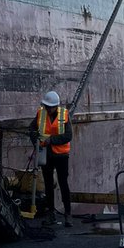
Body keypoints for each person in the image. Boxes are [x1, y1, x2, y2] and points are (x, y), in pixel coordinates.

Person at [29, 89, 73, 226]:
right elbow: (31, 129)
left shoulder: (64, 115)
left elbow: (68, 136)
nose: (47, 109)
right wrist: (34, 138)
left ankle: (67, 214)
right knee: (48, 185)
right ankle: (51, 214)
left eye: (50, 107)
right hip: (46, 155)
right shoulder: (40, 114)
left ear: (56, 106)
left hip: (61, 155)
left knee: (63, 183)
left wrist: (51, 140)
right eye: (46, 106)